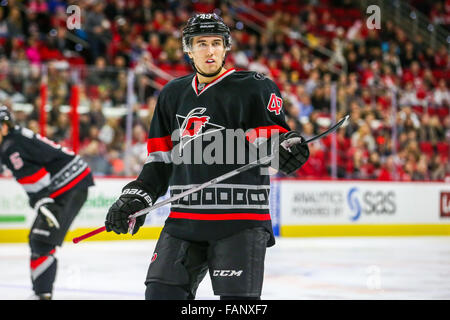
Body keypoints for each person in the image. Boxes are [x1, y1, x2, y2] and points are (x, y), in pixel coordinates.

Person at [105, 13, 309, 300]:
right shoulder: (172, 94)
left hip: (240, 222)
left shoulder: (254, 86)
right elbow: (159, 163)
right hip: (184, 221)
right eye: (201, 43)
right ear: (188, 49)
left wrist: (288, 146)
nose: (210, 50)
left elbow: (273, 141)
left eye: (216, 43)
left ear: (226, 47)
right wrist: (136, 198)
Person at [0, 106, 94, 300]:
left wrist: (42, 201)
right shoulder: (13, 140)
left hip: (70, 185)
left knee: (42, 239)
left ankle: (42, 295)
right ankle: (41, 293)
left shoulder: (11, 146)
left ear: (4, 127)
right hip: (67, 184)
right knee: (39, 240)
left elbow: (33, 178)